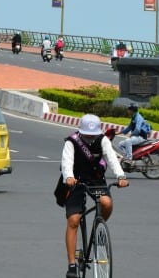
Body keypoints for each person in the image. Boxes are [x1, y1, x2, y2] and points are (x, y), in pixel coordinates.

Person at [60, 114, 128, 278]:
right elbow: (66, 162)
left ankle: (99, 228)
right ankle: (71, 265)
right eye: (87, 134)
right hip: (75, 182)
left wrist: (120, 176)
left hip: (96, 180)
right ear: (81, 131)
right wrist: (69, 177)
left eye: (93, 134)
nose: (90, 137)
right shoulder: (72, 142)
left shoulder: (102, 140)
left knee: (106, 203)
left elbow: (111, 158)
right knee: (74, 220)